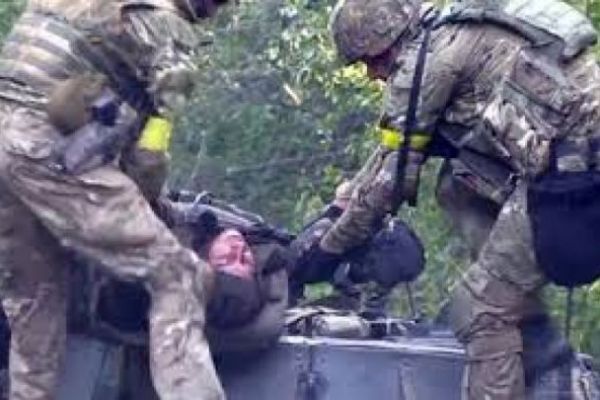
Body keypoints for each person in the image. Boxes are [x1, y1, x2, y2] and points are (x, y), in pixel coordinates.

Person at [297, 0, 600, 398]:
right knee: (457, 186)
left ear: (389, 40)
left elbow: (389, 184)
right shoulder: (453, 33)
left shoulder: (426, 65)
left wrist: (329, 248)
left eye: (372, 61)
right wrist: (341, 207)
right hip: (576, 164)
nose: (372, 74)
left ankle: (527, 332)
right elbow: (390, 155)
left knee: (479, 309)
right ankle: (530, 327)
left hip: (576, 177)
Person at [0, 0, 230, 399]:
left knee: (35, 302)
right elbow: (148, 155)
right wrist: (150, 207)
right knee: (178, 275)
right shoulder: (165, 27)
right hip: (46, 152)